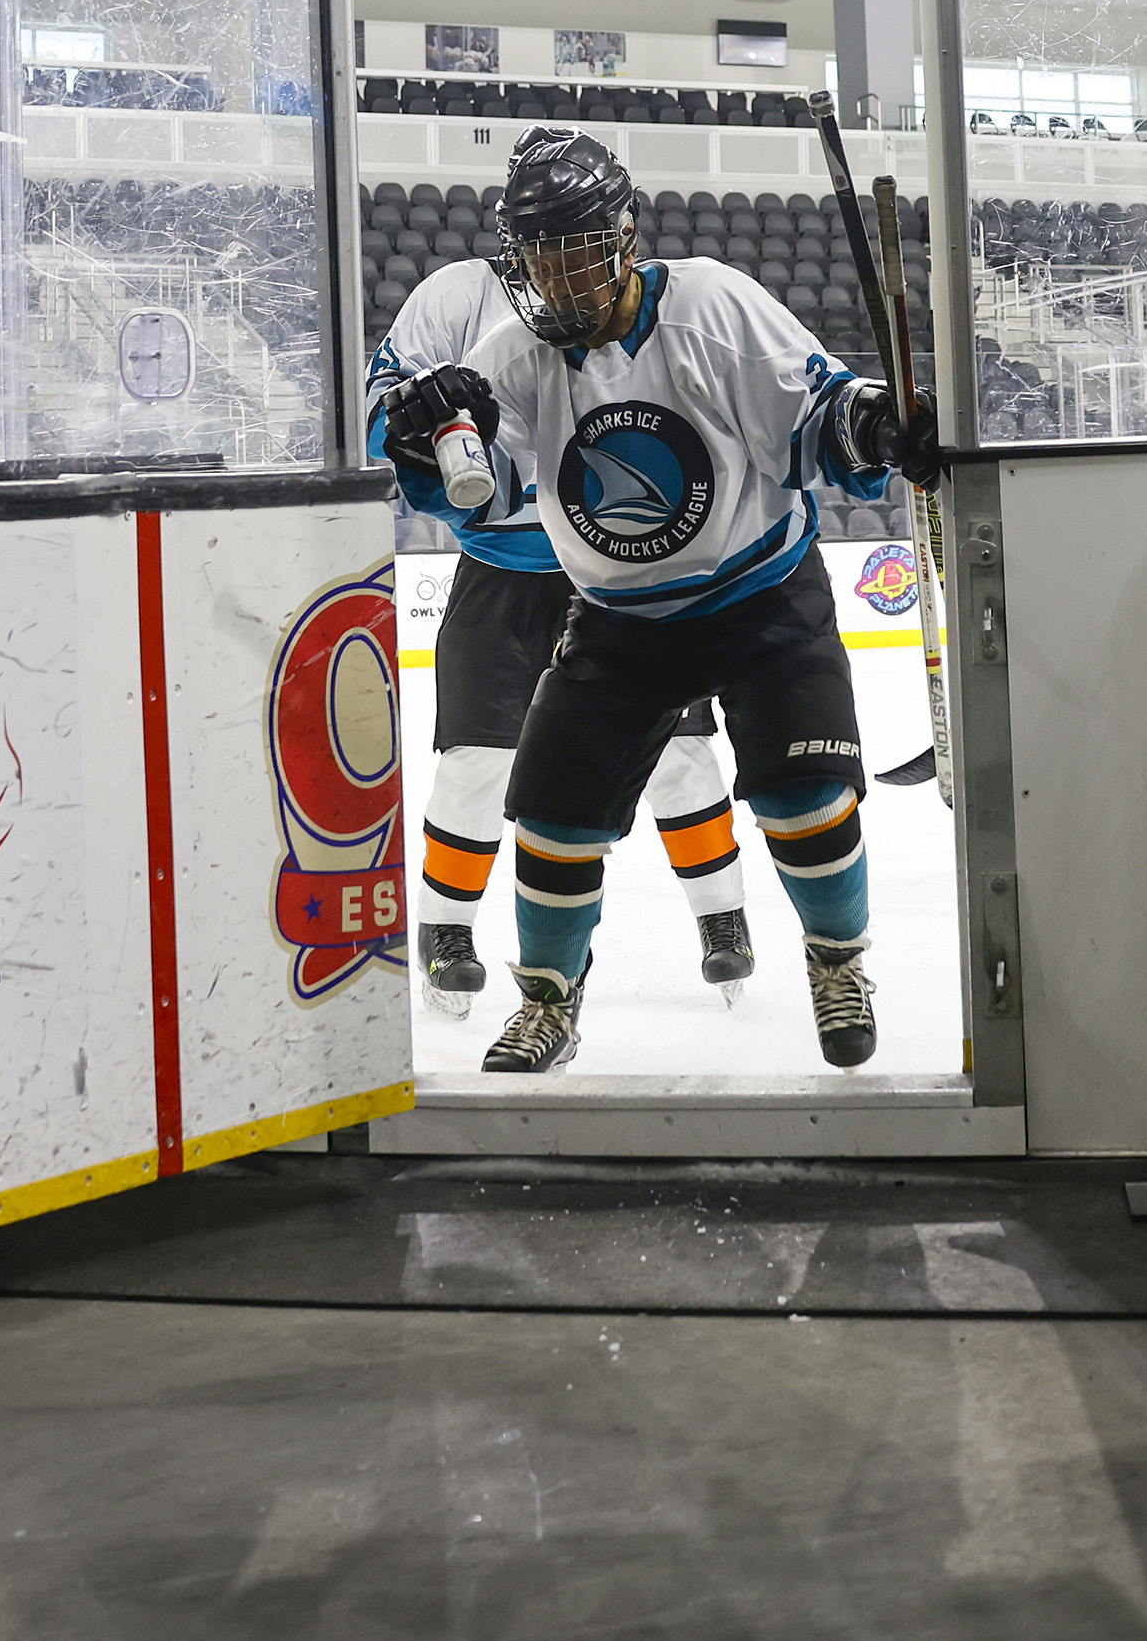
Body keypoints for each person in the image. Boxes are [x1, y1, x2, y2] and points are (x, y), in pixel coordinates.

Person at [377, 128, 941, 1076]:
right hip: (619, 619)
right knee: (552, 813)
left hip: (760, 596)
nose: (560, 285)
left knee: (805, 800)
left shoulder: (713, 305)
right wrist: (422, 444)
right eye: (540, 262)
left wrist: (875, 422)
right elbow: (486, 489)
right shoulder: (510, 355)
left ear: (624, 238)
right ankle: (550, 1003)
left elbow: (813, 421)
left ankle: (836, 962)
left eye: (577, 258)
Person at [367, 245, 759, 1016]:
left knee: (680, 751)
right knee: (477, 758)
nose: (559, 248)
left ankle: (724, 919)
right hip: (504, 572)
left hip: (620, 566)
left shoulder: (627, 298)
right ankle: (444, 933)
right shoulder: (456, 291)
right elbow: (384, 406)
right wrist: (413, 410)